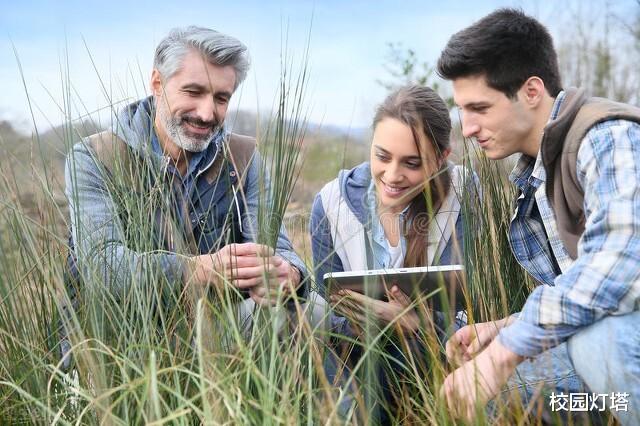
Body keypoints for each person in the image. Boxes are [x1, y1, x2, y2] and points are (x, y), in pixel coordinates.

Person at [436, 8, 640, 424]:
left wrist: (506, 351)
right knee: (507, 398)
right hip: (616, 348)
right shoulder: (536, 175)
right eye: (462, 110)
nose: (468, 128)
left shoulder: (608, 138)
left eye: (479, 107)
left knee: (596, 346)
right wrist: (505, 327)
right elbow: (581, 289)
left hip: (619, 340)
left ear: (531, 91)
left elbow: (618, 267)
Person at [64, 26, 307, 349]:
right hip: (118, 340)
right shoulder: (94, 157)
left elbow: (277, 248)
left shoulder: (245, 158)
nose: (207, 113)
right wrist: (197, 270)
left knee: (313, 312)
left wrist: (291, 275)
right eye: (193, 92)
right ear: (157, 84)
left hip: (215, 328)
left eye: (221, 98)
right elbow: (102, 267)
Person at [310, 85, 472, 422]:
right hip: (355, 359)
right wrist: (368, 322)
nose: (393, 176)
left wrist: (417, 324)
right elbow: (324, 309)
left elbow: (471, 312)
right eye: (382, 156)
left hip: (440, 359)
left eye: (412, 163)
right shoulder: (330, 205)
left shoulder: (466, 197)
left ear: (442, 158)